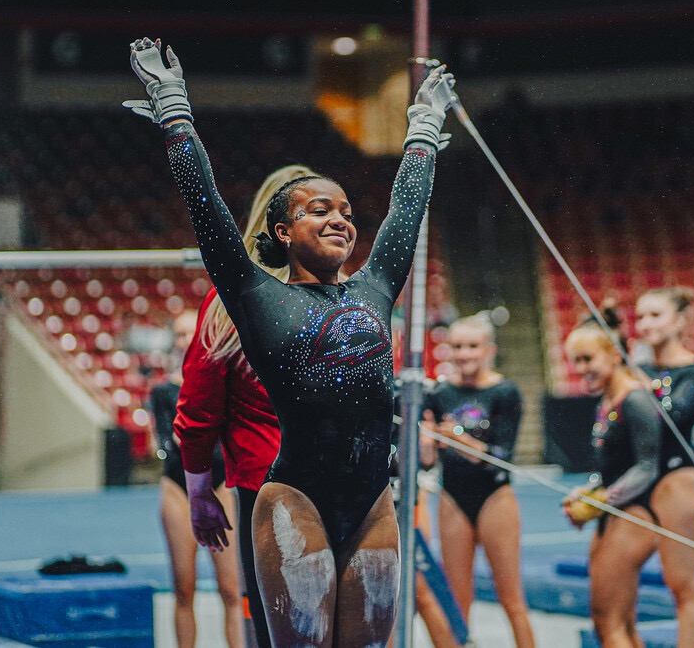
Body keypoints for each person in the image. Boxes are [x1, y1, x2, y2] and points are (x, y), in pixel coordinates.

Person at [125, 36, 454, 646]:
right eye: (318, 209)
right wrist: (173, 108)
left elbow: (407, 212)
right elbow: (207, 209)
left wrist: (424, 129)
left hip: (374, 503)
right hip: (292, 500)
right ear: (282, 230)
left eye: (348, 211)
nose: (341, 219)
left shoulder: (375, 286)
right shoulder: (256, 298)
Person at [174, 163, 315, 648]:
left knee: (278, 625)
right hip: (336, 484)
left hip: (268, 487)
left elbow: (196, 414)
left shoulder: (227, 305)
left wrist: (197, 492)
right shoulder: (343, 301)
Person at [421, 314, 535, 648]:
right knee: (457, 601)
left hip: (494, 497)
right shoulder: (439, 393)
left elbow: (503, 458)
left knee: (511, 599)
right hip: (452, 497)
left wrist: (460, 439)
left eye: (472, 346)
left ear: (488, 349)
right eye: (457, 346)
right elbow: (428, 460)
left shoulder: (504, 391)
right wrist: (427, 444)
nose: (464, 354)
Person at [562, 309, 663, 648]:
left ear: (614, 354)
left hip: (634, 516)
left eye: (588, 359)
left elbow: (648, 466)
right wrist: (588, 492)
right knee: (622, 624)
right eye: (575, 361)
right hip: (616, 512)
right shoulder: (607, 400)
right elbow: (612, 469)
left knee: (608, 624)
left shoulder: (635, 399)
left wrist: (604, 499)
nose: (581, 370)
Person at [148, 309, 242, 648]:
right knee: (183, 588)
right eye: (179, 334)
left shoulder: (223, 382)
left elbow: (227, 441)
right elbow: (166, 444)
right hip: (178, 489)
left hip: (219, 486)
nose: (185, 340)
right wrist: (193, 432)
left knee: (231, 588)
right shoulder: (163, 392)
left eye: (191, 332)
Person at [633, 287, 694, 646]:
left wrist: (640, 387)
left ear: (679, 321)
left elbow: (674, 418)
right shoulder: (637, 368)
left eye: (655, 315)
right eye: (640, 316)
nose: (645, 324)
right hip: (637, 480)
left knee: (681, 584)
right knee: (616, 580)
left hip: (677, 481)